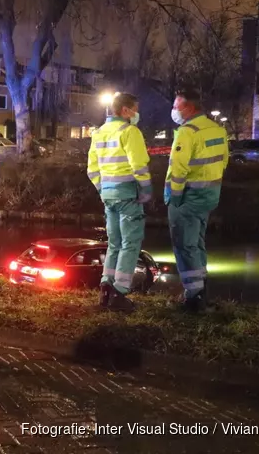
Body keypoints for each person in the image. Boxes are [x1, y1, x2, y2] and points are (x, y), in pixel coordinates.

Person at [87, 93, 151, 313]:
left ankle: (106, 286)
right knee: (130, 244)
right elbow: (139, 166)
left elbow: (92, 169)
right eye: (135, 109)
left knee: (114, 243)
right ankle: (120, 292)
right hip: (128, 196)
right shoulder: (130, 132)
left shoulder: (99, 133)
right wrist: (146, 190)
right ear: (125, 110)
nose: (136, 114)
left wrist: (103, 189)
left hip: (108, 196)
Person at [166, 89, 229, 312]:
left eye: (176, 106)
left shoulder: (187, 132)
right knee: (197, 243)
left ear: (189, 108)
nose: (174, 110)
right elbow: (223, 162)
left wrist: (173, 197)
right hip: (209, 196)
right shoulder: (218, 129)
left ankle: (194, 298)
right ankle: (202, 290)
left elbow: (178, 169)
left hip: (187, 197)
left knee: (184, 246)